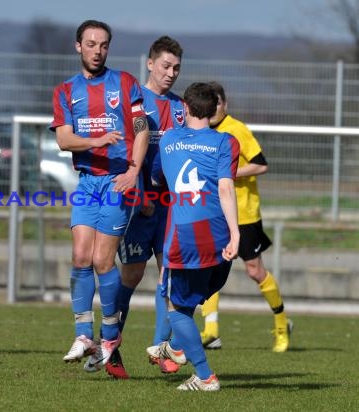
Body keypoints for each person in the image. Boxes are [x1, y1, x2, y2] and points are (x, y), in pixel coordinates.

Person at [50, 20, 149, 377]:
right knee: (80, 256)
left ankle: (109, 336)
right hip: (88, 182)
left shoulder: (124, 83)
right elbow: (63, 139)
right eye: (91, 44)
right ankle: (82, 334)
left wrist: (134, 171)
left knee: (102, 261)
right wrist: (96, 141)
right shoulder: (65, 91)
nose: (97, 50)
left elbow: (142, 130)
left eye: (103, 45)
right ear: (78, 46)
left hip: (118, 183)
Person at [155, 82, 240, 391]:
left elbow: (157, 176)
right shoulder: (226, 142)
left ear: (185, 109)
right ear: (216, 108)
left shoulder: (168, 140)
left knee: (175, 308)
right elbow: (226, 187)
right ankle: (178, 349)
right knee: (191, 300)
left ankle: (204, 376)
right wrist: (235, 233)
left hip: (186, 234)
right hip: (219, 233)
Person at [200, 81, 293, 352]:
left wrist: (229, 173)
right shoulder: (201, 132)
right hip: (215, 213)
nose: (214, 106)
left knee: (254, 270)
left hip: (244, 214)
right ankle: (211, 330)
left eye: (217, 101)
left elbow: (261, 164)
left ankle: (281, 323)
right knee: (210, 269)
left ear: (225, 104)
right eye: (210, 101)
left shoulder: (237, 129)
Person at [113, 35, 185, 378]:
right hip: (139, 202)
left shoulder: (182, 108)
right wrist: (140, 193)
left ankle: (160, 348)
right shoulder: (134, 103)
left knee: (170, 274)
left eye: (176, 68)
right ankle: (110, 344)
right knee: (133, 274)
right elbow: (128, 156)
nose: (171, 73)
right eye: (166, 66)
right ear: (151, 63)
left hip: (170, 204)